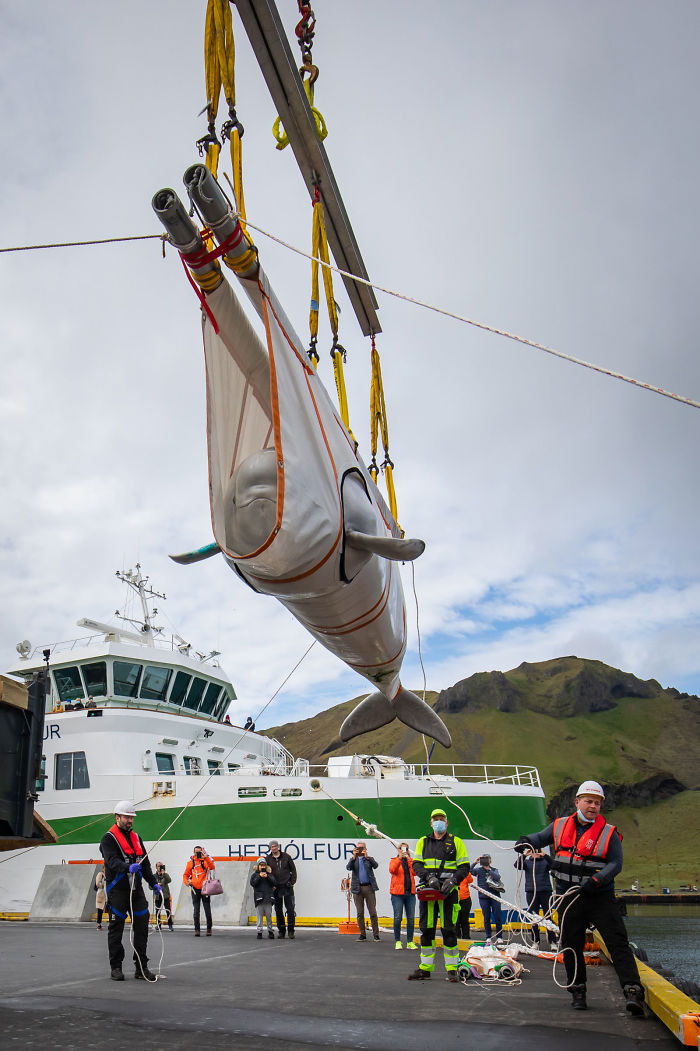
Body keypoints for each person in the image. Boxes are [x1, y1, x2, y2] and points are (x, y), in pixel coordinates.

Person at [515, 779, 645, 1015]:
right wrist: (525, 841)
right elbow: (539, 838)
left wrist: (597, 880)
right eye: (588, 801)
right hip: (568, 897)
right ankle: (578, 990)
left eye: (597, 803)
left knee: (617, 943)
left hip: (599, 897)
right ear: (577, 802)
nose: (593, 806)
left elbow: (616, 863)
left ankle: (632, 990)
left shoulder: (609, 833)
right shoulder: (559, 825)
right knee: (571, 945)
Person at [99, 800, 161, 981]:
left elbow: (146, 864)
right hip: (118, 891)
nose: (130, 821)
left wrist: (153, 883)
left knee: (141, 927)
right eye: (126, 817)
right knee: (116, 929)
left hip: (137, 891)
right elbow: (111, 861)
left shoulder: (136, 838)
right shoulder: (108, 839)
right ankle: (116, 967)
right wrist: (127, 868)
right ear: (117, 817)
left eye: (131, 817)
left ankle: (141, 967)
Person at [409, 808, 470, 982]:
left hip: (449, 892)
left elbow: (464, 867)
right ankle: (425, 968)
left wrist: (453, 881)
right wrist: (428, 877)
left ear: (446, 822)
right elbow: (416, 865)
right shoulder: (423, 842)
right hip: (429, 891)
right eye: (435, 819)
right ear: (431, 823)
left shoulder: (456, 842)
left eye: (441, 819)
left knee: (449, 930)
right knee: (426, 930)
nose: (438, 822)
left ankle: (452, 969)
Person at [514, 848, 557, 947]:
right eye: (533, 851)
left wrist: (544, 855)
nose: (535, 853)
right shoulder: (527, 863)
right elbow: (516, 865)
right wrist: (525, 855)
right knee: (533, 917)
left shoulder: (545, 861)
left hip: (545, 891)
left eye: (537, 851)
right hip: (531, 892)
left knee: (548, 916)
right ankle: (535, 941)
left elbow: (554, 865)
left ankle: (552, 941)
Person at [346, 841, 380, 941]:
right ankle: (362, 934)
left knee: (373, 912)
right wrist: (353, 857)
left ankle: (376, 934)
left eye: (362, 848)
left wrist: (367, 856)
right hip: (357, 888)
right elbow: (348, 867)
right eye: (358, 848)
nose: (360, 850)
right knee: (360, 913)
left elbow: (375, 865)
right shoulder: (353, 860)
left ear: (365, 849)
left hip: (369, 887)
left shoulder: (369, 859)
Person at [265, 840, 297, 939]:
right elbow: (267, 874)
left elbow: (293, 870)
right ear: (270, 848)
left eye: (275, 846)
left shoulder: (286, 857)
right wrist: (271, 885)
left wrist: (291, 882)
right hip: (275, 888)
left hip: (287, 887)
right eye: (271, 847)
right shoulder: (267, 859)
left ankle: (291, 931)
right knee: (278, 910)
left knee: (290, 909)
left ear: (278, 847)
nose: (273, 848)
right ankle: (281, 931)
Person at [389, 842, 417, 950]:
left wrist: (409, 859)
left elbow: (415, 872)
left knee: (411, 918)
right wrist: (399, 858)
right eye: (401, 848)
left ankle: (410, 941)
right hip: (397, 894)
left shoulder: (411, 861)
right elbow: (392, 870)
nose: (403, 850)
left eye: (406, 848)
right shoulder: (394, 860)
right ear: (398, 849)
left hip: (410, 893)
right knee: (398, 917)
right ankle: (398, 941)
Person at [183, 844, 215, 937]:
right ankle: (197, 929)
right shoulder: (190, 863)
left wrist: (206, 858)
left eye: (199, 852)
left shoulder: (205, 861)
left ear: (202, 852)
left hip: (205, 888)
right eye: (196, 852)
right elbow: (185, 875)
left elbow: (212, 867)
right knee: (196, 910)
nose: (198, 854)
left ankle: (209, 929)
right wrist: (187, 882)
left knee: (207, 909)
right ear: (193, 852)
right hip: (194, 889)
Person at [470, 854, 504, 941]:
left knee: (497, 916)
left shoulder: (494, 870)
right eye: (483, 859)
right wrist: (475, 862)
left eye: (487, 859)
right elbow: (469, 871)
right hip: (483, 897)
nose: (485, 861)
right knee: (486, 917)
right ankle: (488, 936)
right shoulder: (478, 870)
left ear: (490, 861)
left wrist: (488, 870)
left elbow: (497, 877)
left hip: (495, 896)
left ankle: (499, 936)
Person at [250, 858, 277, 938]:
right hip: (259, 898)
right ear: (258, 866)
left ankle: (270, 931)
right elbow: (253, 883)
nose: (262, 867)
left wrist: (267, 876)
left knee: (269, 916)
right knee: (259, 917)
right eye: (261, 865)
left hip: (268, 898)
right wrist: (259, 876)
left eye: (264, 865)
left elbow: (274, 883)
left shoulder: (269, 874)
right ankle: (259, 932)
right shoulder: (255, 875)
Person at [153, 862, 174, 931]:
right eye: (158, 866)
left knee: (168, 910)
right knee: (157, 911)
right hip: (157, 896)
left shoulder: (165, 875)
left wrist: (164, 874)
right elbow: (150, 886)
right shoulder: (153, 876)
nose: (160, 867)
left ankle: (170, 925)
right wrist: (156, 885)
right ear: (156, 867)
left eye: (161, 866)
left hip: (165, 896)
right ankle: (158, 925)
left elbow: (169, 880)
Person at [455, 869, 473, 939]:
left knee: (464, 920)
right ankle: (457, 937)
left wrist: (466, 871)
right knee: (456, 920)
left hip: (465, 899)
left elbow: (470, 880)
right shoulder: (451, 872)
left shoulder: (465, 873)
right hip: (455, 899)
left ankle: (466, 936)